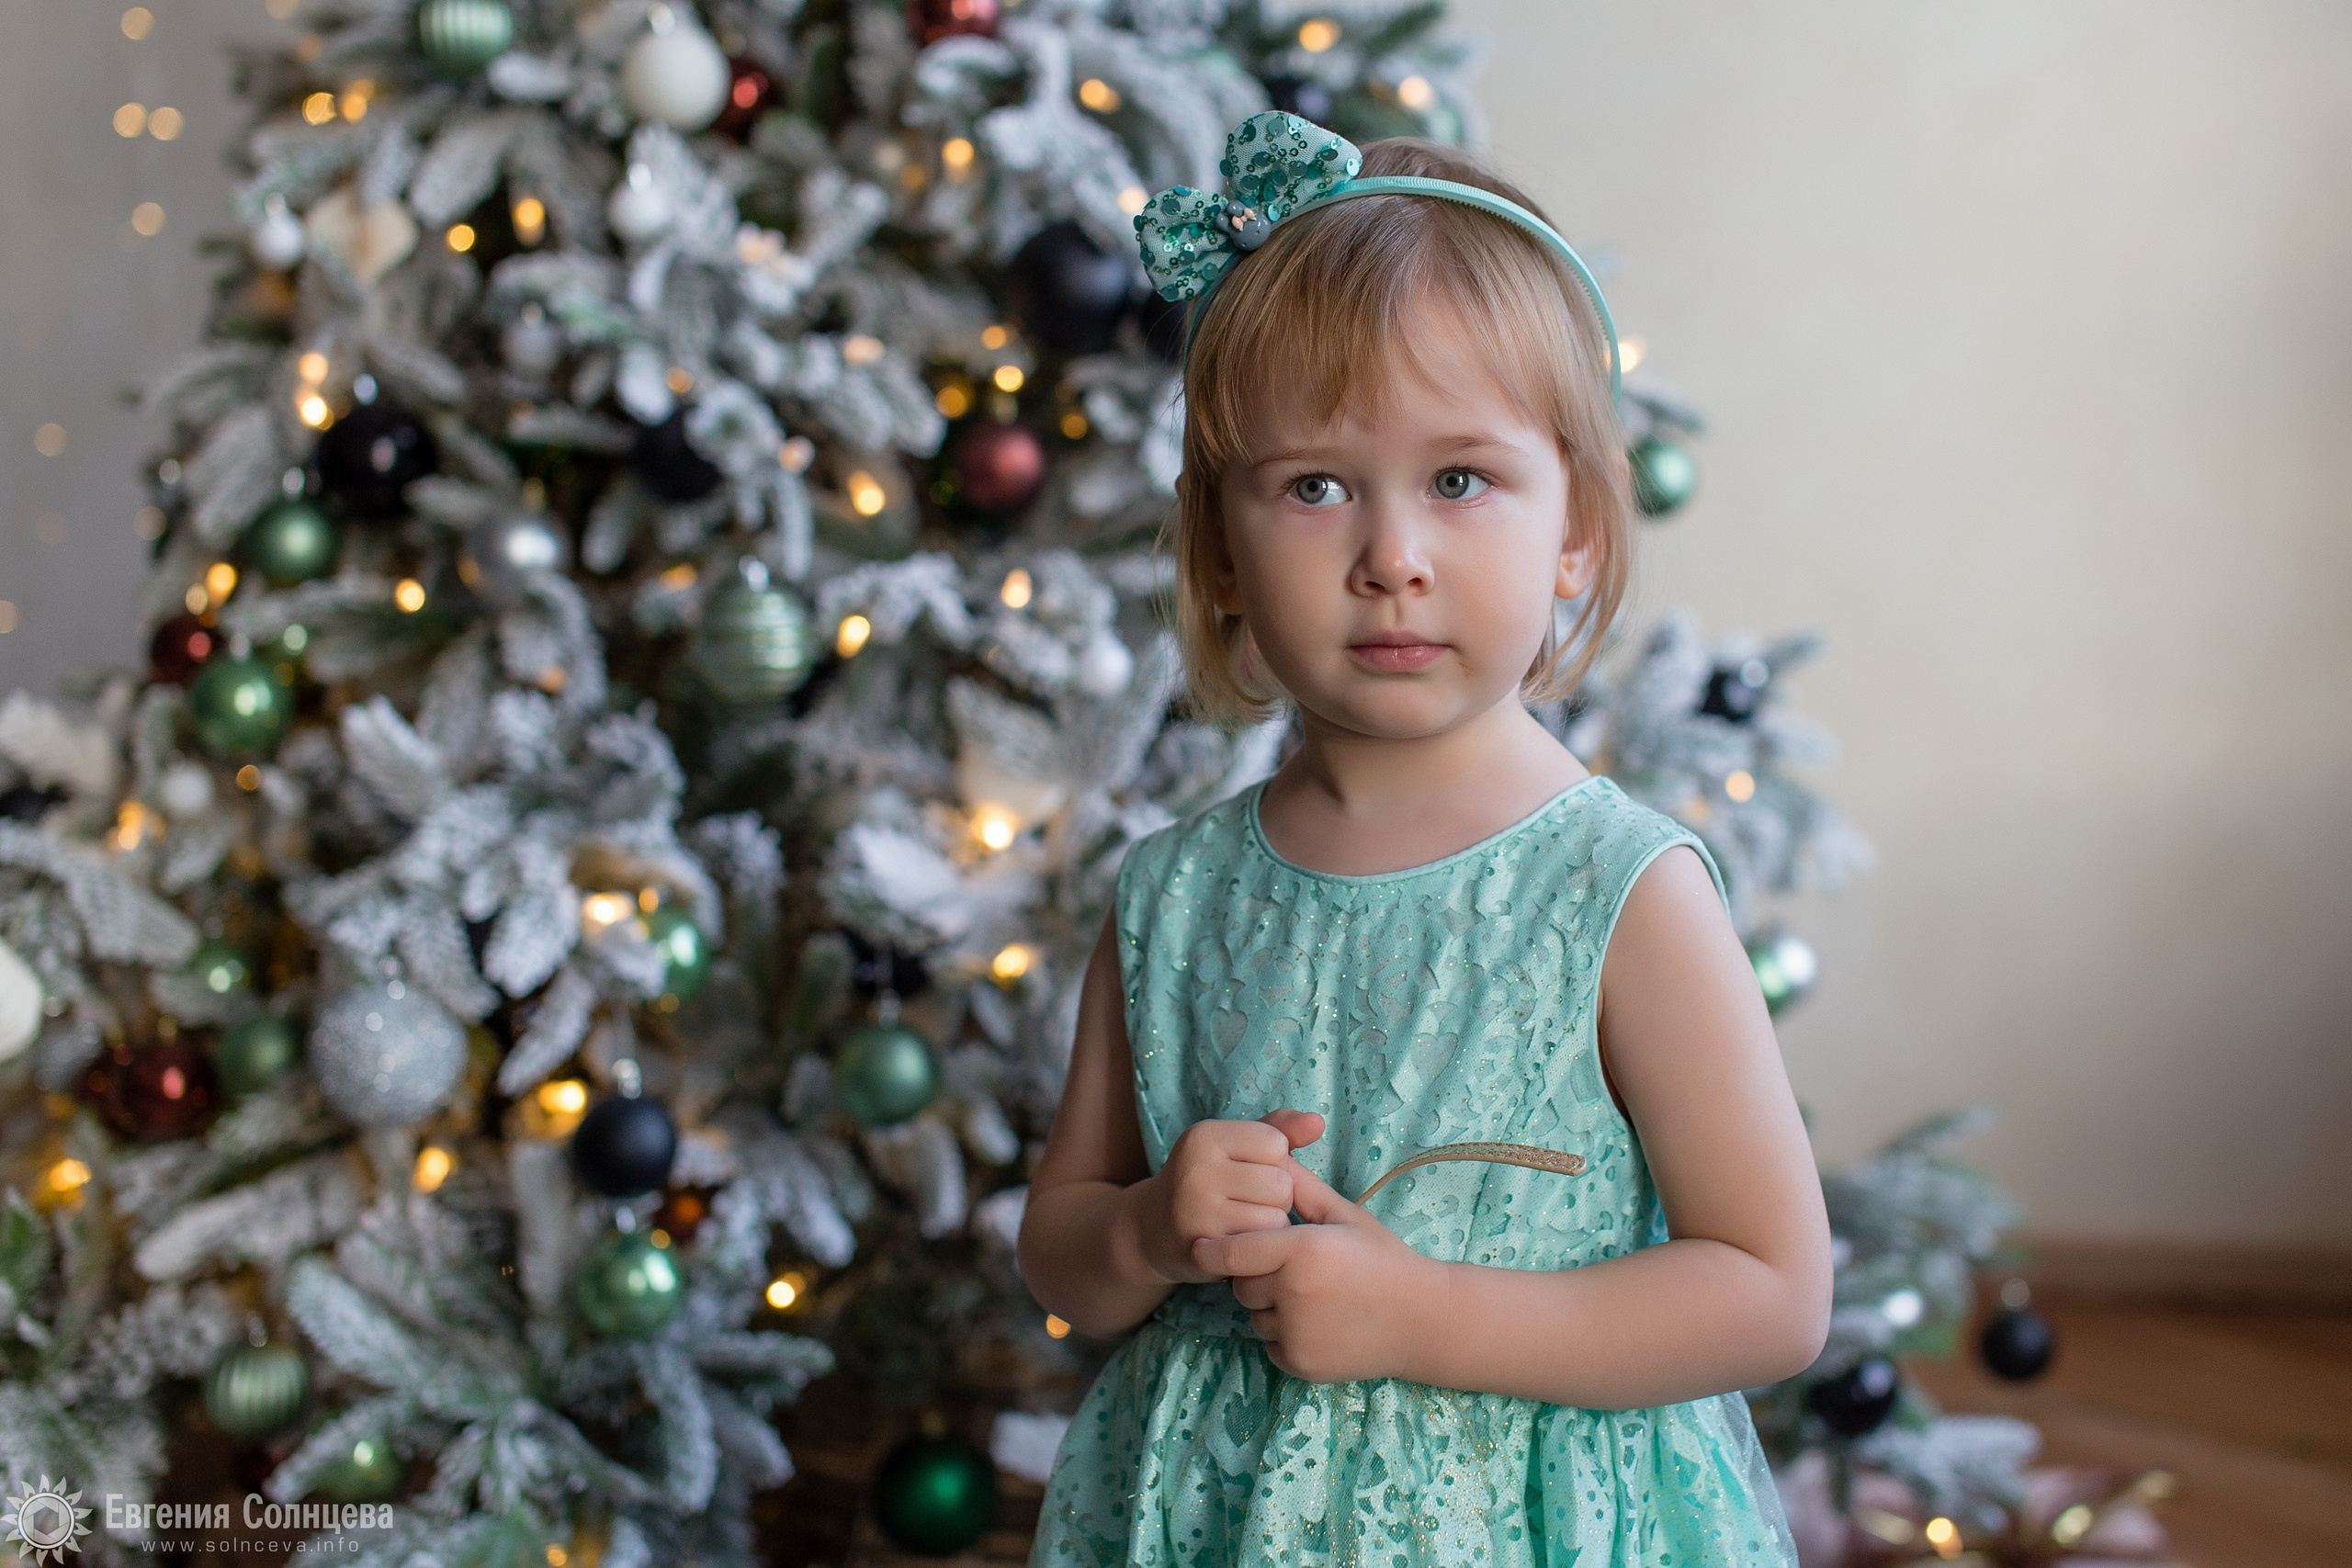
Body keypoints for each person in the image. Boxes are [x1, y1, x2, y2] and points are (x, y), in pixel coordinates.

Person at [1017, 111, 1831, 1567]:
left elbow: (1773, 1290)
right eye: (1314, 485)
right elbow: (1065, 1260)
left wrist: (1428, 1316)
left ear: (1575, 525)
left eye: (1460, 481)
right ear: (1220, 547)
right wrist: (1146, 1232)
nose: (1391, 555)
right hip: (1220, 1513)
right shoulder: (1175, 894)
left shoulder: (1619, 891)